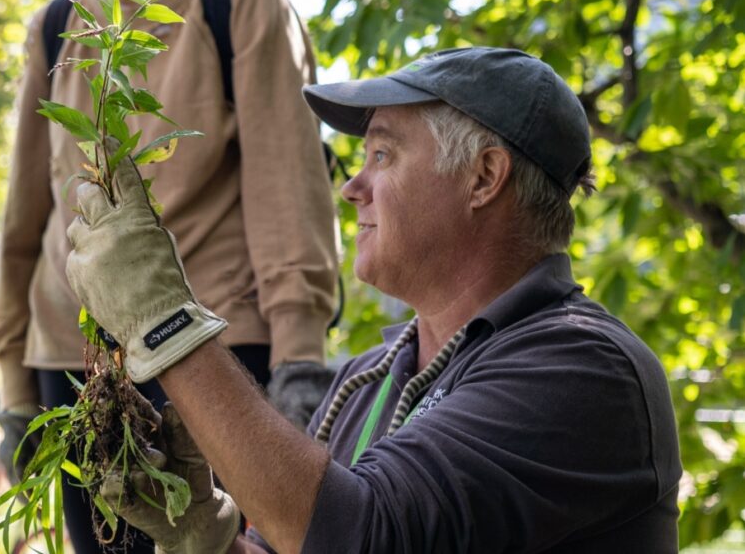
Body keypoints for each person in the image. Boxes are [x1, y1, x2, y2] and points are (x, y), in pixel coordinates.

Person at [66, 47, 680, 553]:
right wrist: (206, 534)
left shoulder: (583, 369)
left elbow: (363, 536)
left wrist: (166, 322)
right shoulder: (368, 379)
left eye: (382, 154)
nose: (353, 188)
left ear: (485, 177)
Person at [0, 0, 339, 549]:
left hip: (212, 350)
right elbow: (26, 220)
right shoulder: (56, 28)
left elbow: (289, 182)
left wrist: (301, 354)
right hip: (76, 364)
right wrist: (15, 379)